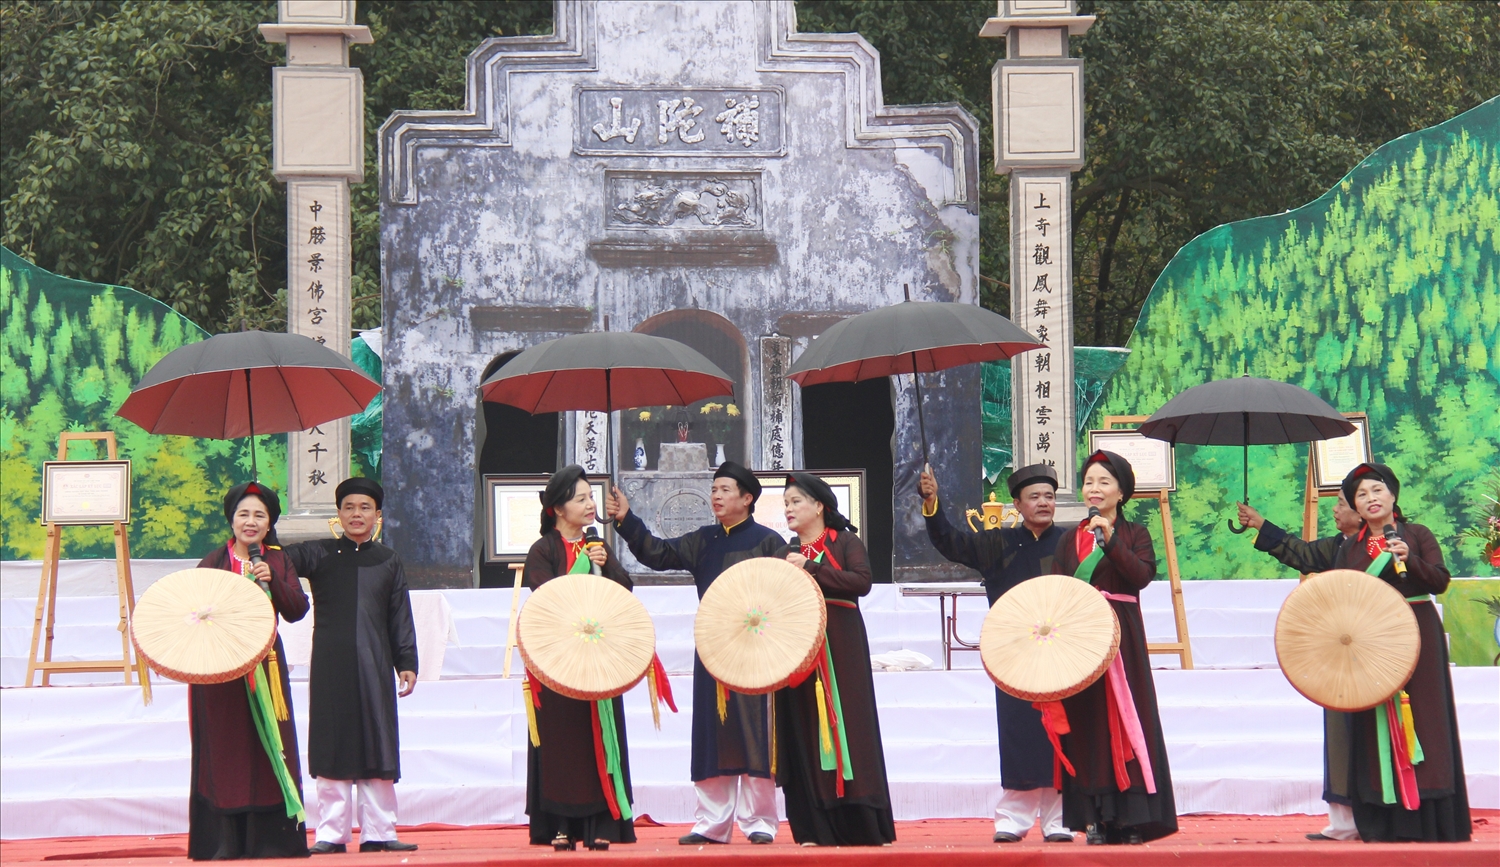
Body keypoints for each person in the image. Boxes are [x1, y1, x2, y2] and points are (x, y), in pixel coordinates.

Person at [1238, 463, 1470, 843]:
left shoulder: (1418, 534)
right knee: (1369, 722)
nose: (1371, 499)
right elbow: (1322, 573)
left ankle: (1429, 814)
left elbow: (1439, 581)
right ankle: (1382, 817)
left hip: (1417, 635)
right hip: (1370, 643)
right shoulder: (1349, 547)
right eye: (1361, 495)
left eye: (1377, 491)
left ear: (1393, 496)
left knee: (1426, 718)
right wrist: (1262, 525)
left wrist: (1409, 557)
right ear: (1356, 508)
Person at [606, 461, 785, 845]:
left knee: (756, 732)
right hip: (712, 645)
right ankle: (711, 823)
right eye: (714, 489)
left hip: (755, 648)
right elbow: (657, 554)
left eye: (724, 489)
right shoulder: (703, 540)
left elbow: (787, 594)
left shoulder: (770, 543)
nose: (716, 496)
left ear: (747, 498)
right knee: (711, 733)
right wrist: (627, 519)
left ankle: (759, 822)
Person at [920, 463, 1073, 844]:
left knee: (1061, 732)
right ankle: (1014, 817)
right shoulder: (996, 542)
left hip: (1062, 650)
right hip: (1014, 650)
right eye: (1035, 497)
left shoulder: (1071, 542)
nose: (1044, 503)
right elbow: (949, 541)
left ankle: (1059, 819)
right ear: (1017, 504)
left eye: (1050, 497)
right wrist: (932, 503)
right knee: (1019, 730)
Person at [282, 478, 418, 854]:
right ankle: (331, 833)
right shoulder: (319, 554)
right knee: (332, 742)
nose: (357, 515)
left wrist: (406, 660)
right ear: (338, 514)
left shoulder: (388, 560)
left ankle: (380, 832)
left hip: (376, 664)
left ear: (379, 515)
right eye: (349, 508)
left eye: (365, 508)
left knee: (377, 742)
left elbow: (398, 616)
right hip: (331, 663)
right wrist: (269, 521)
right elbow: (277, 557)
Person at [1050, 451, 1177, 845]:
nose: (1095, 489)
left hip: (1122, 639)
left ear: (1122, 492)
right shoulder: (1069, 538)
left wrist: (1110, 541)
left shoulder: (1135, 534)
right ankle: (1095, 818)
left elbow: (1140, 577)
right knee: (1087, 723)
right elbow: (1058, 590)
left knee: (1127, 719)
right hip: (1082, 641)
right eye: (1089, 482)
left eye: (1104, 482)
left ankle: (1133, 817)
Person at [771, 473, 896, 847]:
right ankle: (813, 825)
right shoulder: (781, 554)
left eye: (795, 502)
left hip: (842, 646)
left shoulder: (845, 543)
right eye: (786, 504)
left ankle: (860, 822)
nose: (789, 509)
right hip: (799, 652)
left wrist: (811, 569)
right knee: (804, 727)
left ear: (819, 506)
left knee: (850, 726)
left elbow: (861, 582)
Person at [188, 482, 310, 860]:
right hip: (219, 669)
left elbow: (297, 609)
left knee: (271, 748)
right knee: (224, 750)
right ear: (231, 519)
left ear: (270, 521)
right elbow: (193, 612)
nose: (251, 522)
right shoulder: (212, 562)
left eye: (259, 514)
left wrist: (272, 584)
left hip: (265, 664)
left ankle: (271, 840)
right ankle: (224, 840)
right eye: (243, 514)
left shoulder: (276, 560)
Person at [524, 465, 638, 851]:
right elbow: (546, 597)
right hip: (558, 661)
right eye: (581, 499)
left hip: (598, 660)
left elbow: (625, 592)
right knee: (561, 742)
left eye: (591, 497)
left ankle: (602, 822)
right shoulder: (543, 550)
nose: (591, 505)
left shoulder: (597, 545)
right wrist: (582, 571)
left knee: (599, 741)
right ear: (557, 508)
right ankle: (560, 825)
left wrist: (604, 565)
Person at [1237, 491, 1363, 841]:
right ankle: (1345, 822)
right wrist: (1260, 523)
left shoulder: (1390, 544)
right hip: (1342, 652)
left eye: (1341, 503)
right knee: (1340, 734)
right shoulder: (1338, 545)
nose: (1335, 509)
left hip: (1377, 652)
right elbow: (1303, 554)